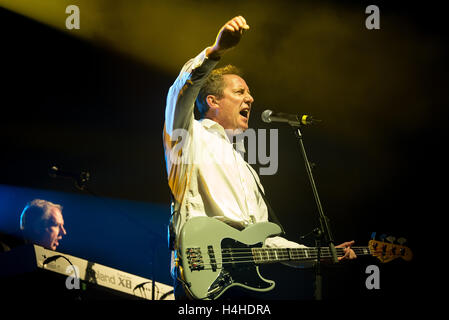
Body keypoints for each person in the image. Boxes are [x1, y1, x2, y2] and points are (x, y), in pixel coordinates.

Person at [163, 16, 356, 300]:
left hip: (238, 287)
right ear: (213, 101)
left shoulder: (246, 170)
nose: (250, 99)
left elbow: (266, 242)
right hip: (200, 277)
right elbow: (180, 92)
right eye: (239, 92)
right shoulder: (189, 138)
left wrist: (320, 255)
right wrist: (215, 51)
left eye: (250, 93)